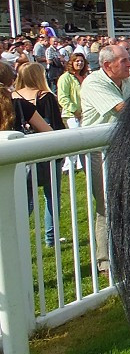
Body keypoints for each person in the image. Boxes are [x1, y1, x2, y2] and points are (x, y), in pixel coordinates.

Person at [81, 44, 130, 276]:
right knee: (106, 204)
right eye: (124, 61)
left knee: (128, 200)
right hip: (97, 152)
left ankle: (128, 252)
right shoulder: (94, 82)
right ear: (107, 65)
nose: (129, 64)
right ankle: (105, 261)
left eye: (128, 59)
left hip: (121, 146)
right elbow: (125, 109)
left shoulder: (127, 80)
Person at [13, 62, 66, 247]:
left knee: (27, 197)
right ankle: (51, 238)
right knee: (51, 196)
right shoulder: (46, 96)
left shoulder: (13, 97)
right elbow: (56, 127)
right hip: (46, 151)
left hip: (22, 154)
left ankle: (14, 233)